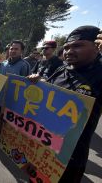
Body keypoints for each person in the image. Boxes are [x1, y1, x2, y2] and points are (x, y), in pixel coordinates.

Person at [28, 25, 102, 182]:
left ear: (96, 47)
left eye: (78, 46)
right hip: (43, 148)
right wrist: (39, 83)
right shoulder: (61, 70)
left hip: (70, 159)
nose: (69, 51)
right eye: (67, 47)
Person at [0, 40, 31, 139]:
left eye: (16, 49)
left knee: (9, 119)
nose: (13, 51)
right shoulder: (4, 63)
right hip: (0, 97)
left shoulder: (24, 65)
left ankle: (6, 136)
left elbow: (27, 85)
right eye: (12, 48)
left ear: (22, 51)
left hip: (14, 100)